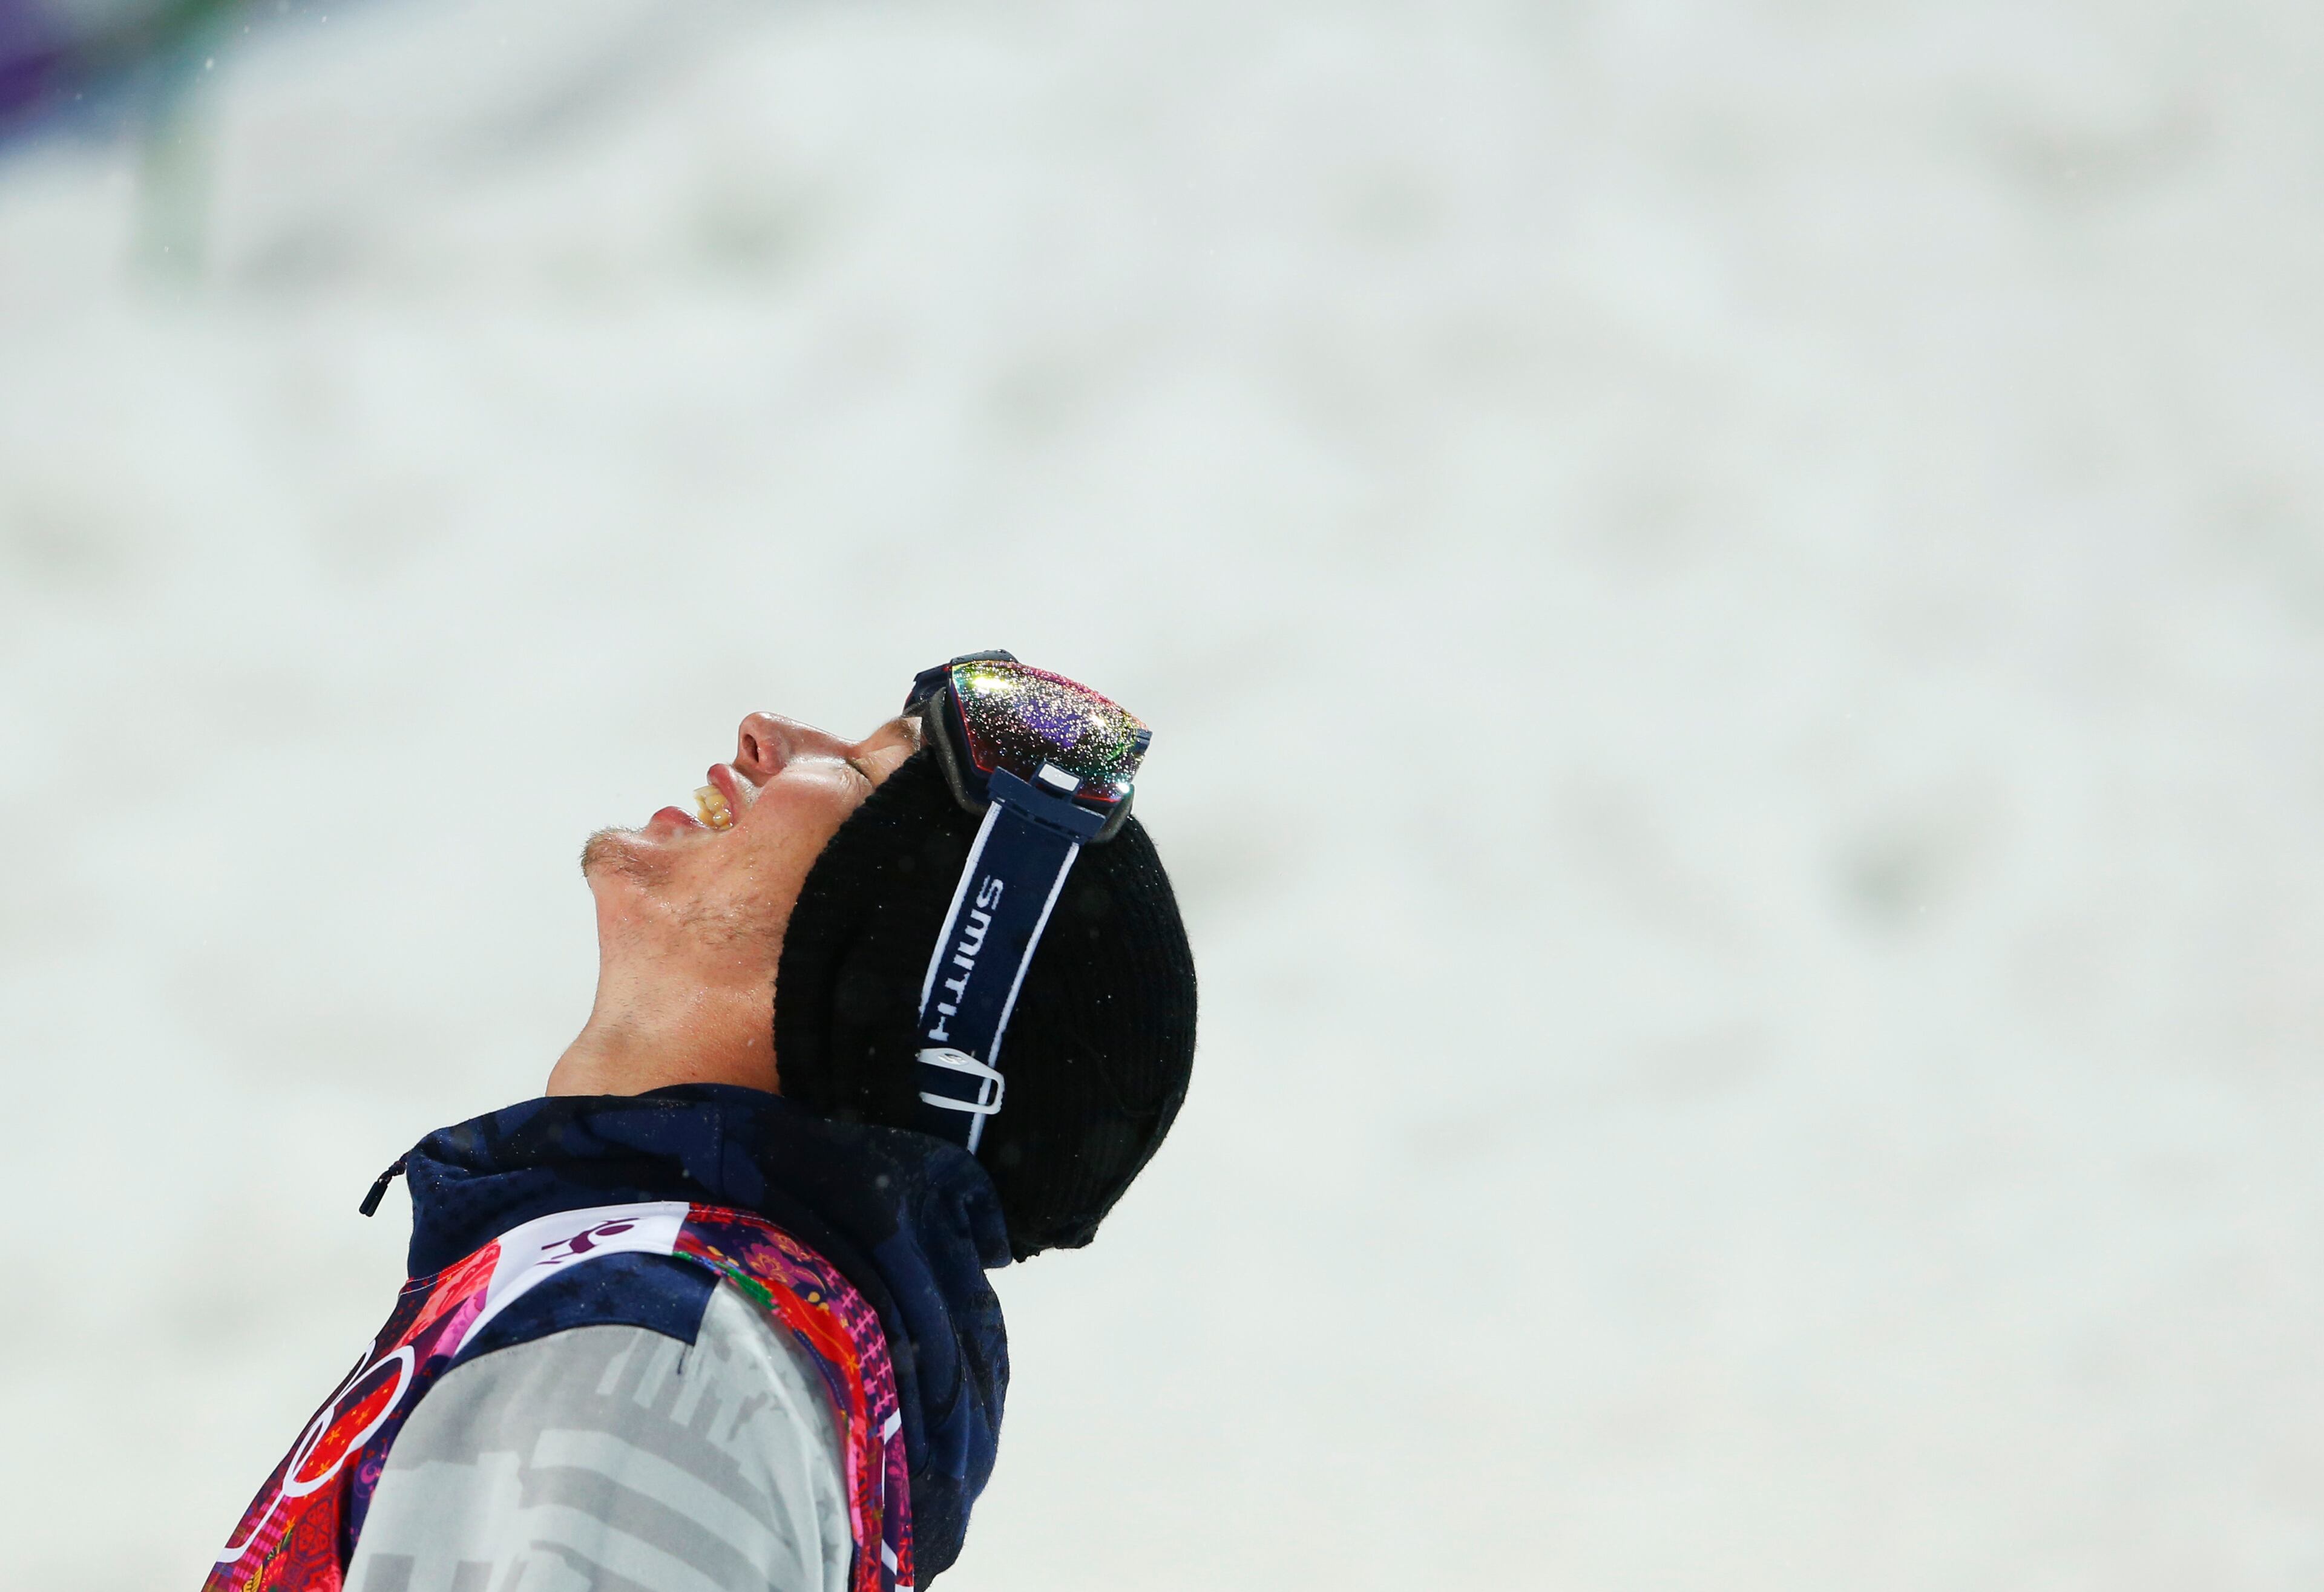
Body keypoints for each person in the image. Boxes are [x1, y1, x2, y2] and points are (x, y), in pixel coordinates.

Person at [202, 654, 1199, 1592]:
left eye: (853, 772)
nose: (764, 733)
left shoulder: (660, 1352)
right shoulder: (699, 1338)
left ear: (902, 985)